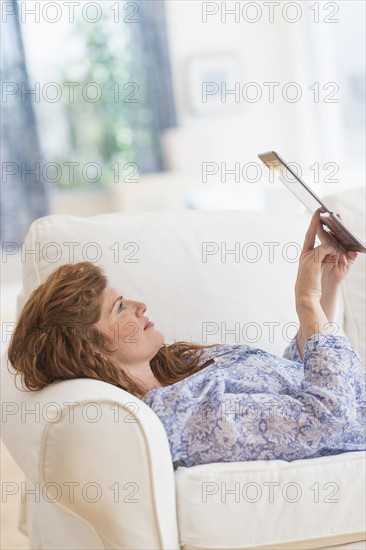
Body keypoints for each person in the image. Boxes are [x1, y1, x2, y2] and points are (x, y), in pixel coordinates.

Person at [8, 210, 366, 469]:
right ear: (91, 351)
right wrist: (305, 302)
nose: (139, 306)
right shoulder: (183, 416)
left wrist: (326, 288)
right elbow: (323, 416)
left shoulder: (179, 367)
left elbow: (295, 376)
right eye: (119, 308)